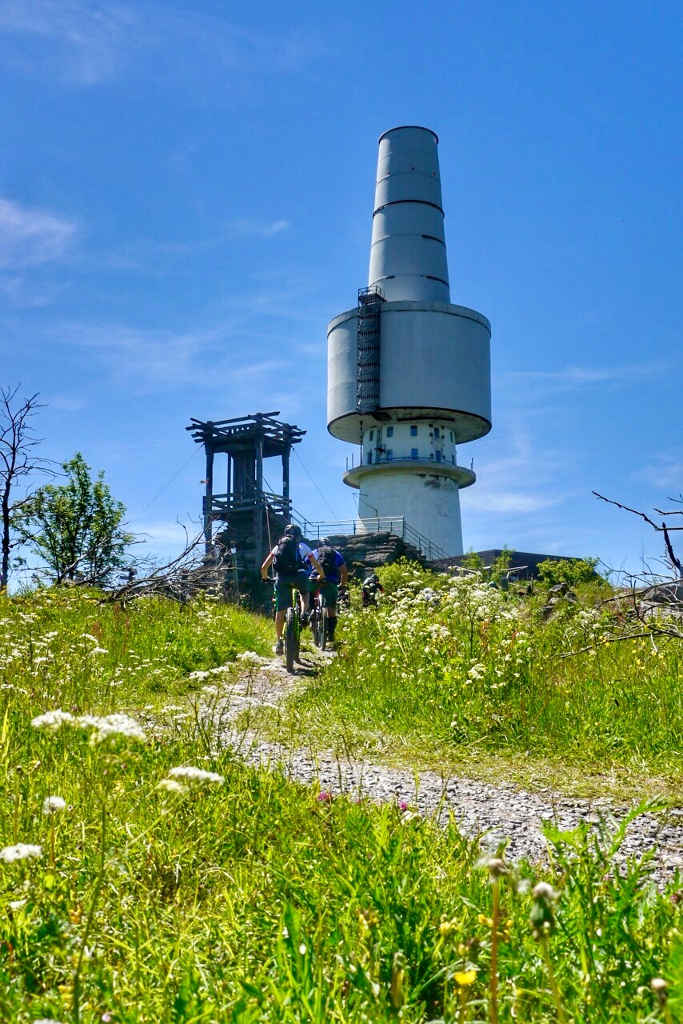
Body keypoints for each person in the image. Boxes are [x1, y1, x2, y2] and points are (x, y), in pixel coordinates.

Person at [260, 524, 325, 654]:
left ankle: (279, 642)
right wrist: (321, 575)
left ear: (285, 534)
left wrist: (265, 578)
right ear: (299, 536)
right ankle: (303, 613)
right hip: (300, 576)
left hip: (283, 578)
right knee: (304, 593)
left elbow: (264, 567)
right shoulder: (304, 546)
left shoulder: (278, 546)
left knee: (280, 611)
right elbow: (315, 564)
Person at [310, 540, 348, 645]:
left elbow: (306, 566)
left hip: (315, 578)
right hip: (331, 581)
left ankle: (309, 612)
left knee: (307, 594)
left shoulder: (314, 552)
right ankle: (330, 634)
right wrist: (342, 584)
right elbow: (344, 571)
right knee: (331, 607)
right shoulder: (336, 553)